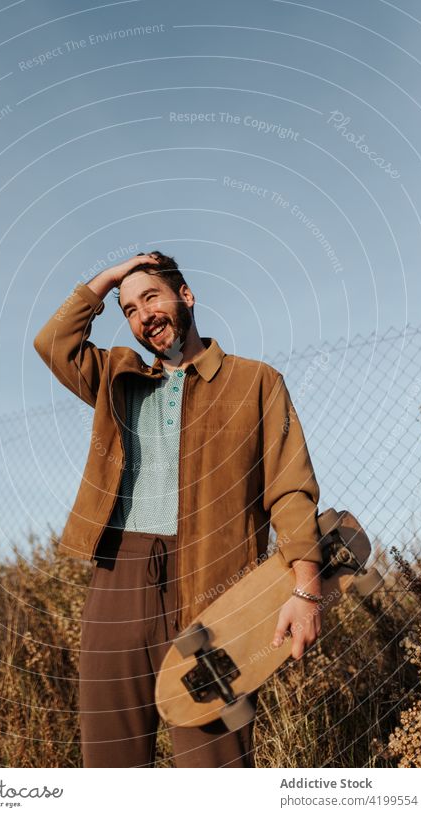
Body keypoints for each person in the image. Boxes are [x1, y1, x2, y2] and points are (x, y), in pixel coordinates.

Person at [33, 251, 323, 768]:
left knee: (216, 764)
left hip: (215, 584)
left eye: (151, 297)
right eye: (128, 309)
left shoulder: (255, 383)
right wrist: (108, 278)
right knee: (110, 763)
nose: (142, 315)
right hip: (118, 577)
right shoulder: (115, 377)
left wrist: (305, 589)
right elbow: (53, 343)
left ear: (185, 296)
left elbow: (290, 487)